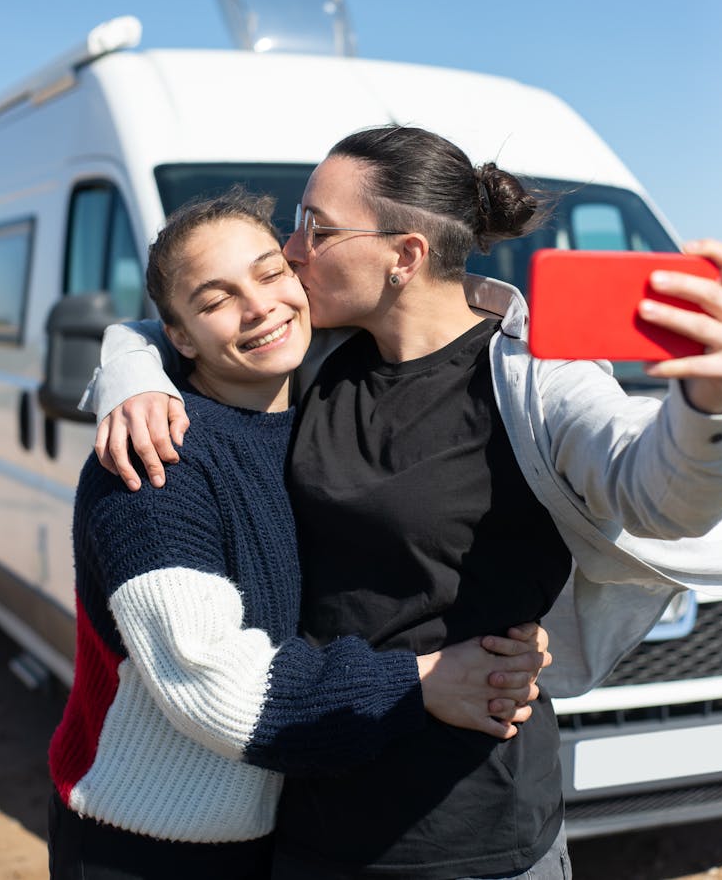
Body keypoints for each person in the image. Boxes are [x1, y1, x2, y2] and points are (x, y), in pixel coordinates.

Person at [86, 125, 722, 880]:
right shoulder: (322, 356)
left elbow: (660, 494)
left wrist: (708, 401)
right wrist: (131, 374)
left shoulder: (537, 380)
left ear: (404, 256)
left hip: (473, 829)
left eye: (317, 228)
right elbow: (172, 328)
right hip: (308, 813)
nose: (293, 251)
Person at [49, 187, 551, 880]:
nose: (259, 306)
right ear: (182, 337)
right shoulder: (154, 463)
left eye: (268, 272)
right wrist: (422, 682)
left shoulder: (318, 410)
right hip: (145, 839)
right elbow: (215, 684)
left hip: (274, 827)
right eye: (215, 298)